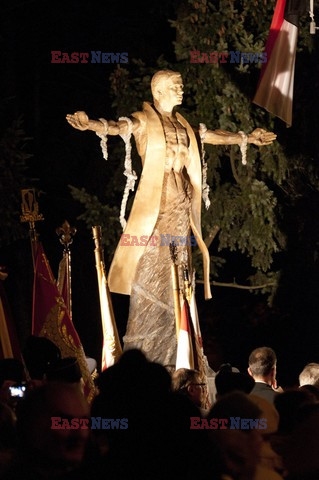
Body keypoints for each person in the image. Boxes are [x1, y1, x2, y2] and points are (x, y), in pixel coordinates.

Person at [66, 70, 276, 366]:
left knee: (180, 273)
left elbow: (213, 135)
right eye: (176, 86)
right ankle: (149, 354)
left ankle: (181, 351)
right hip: (157, 208)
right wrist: (90, 124)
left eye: (181, 86)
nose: (181, 90)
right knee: (153, 272)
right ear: (159, 91)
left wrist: (246, 138)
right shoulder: (143, 121)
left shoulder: (184, 125)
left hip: (181, 208)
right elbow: (116, 127)